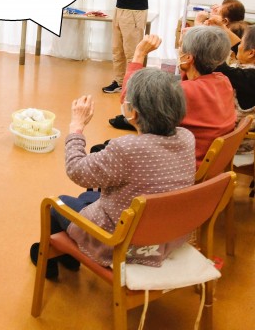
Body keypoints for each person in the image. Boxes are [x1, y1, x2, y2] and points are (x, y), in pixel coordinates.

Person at [30, 69, 195, 278]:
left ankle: (54, 256)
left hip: (124, 243)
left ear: (133, 113)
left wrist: (76, 127)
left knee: (57, 204)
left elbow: (76, 169)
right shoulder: (187, 137)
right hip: (168, 237)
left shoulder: (126, 149)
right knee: (86, 196)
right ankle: (67, 253)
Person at [121, 29, 235, 167]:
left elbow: (129, 103)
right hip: (210, 162)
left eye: (181, 48)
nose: (178, 52)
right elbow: (186, 82)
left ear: (188, 58)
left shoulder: (183, 91)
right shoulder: (223, 80)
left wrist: (139, 54)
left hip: (181, 165)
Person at [215, 24, 255, 152]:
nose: (238, 47)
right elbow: (237, 46)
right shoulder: (247, 70)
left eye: (241, 43)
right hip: (233, 136)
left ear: (251, 53)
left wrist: (203, 41)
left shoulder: (249, 77)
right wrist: (220, 26)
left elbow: (223, 69)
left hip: (236, 142)